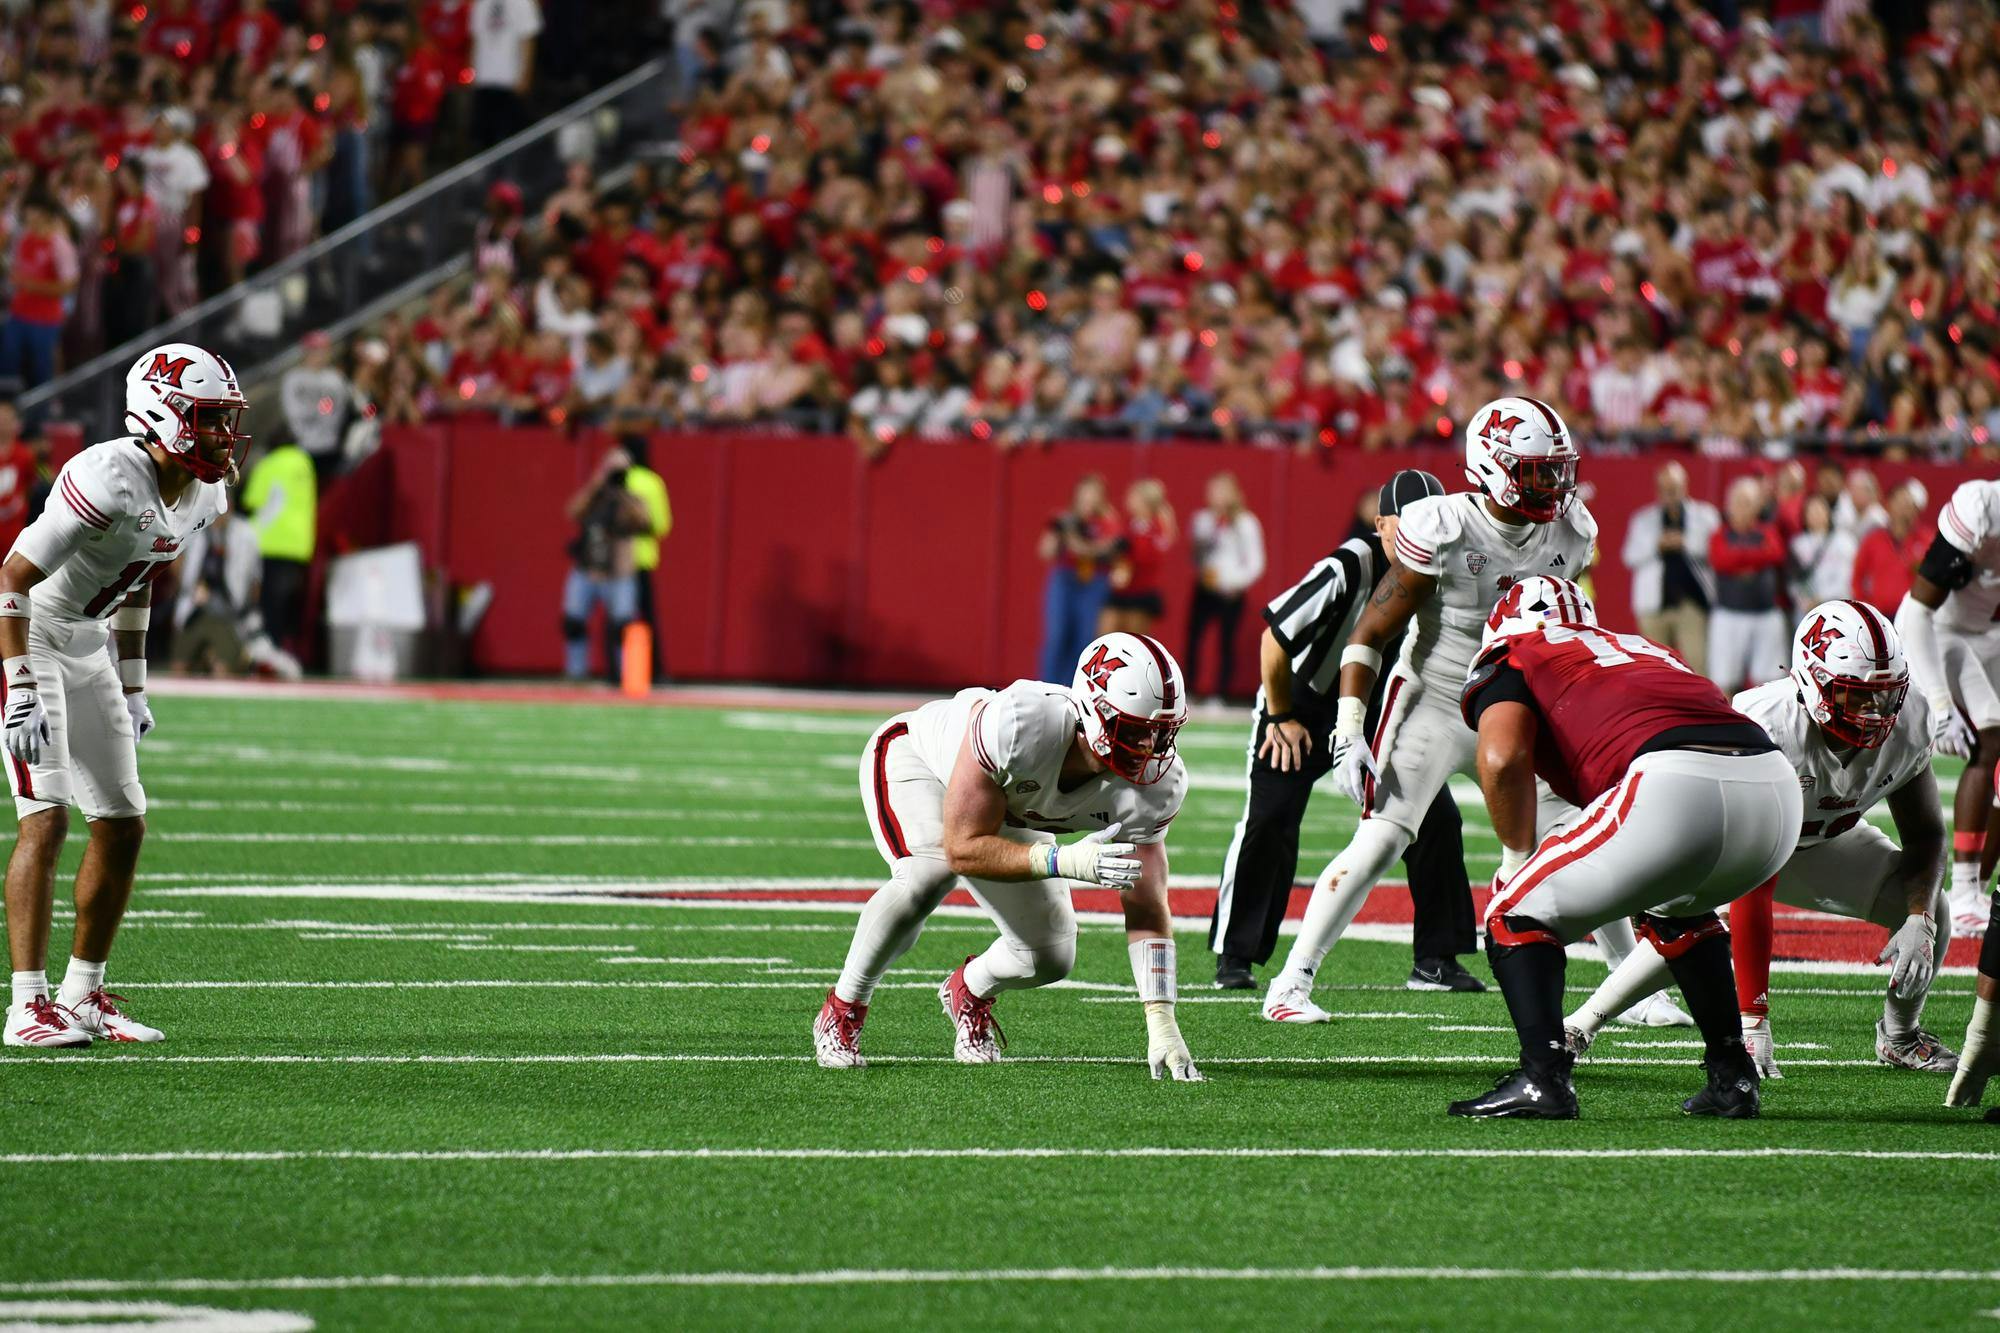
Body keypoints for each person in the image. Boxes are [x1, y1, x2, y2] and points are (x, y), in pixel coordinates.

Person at [1261, 397, 1683, 1026]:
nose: (1554, 485)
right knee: (1381, 837)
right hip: (1433, 697)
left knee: (1581, 838)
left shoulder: (1573, 530)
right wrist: (1350, 729)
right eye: (1538, 471)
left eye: (1557, 470)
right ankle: (1290, 984)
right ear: (1492, 466)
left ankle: (1635, 992)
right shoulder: (1441, 525)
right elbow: (1370, 632)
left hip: (1520, 704)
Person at [1449, 577, 1798, 1118]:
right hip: (1775, 791)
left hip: (1675, 783)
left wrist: (1516, 860)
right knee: (1680, 909)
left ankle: (1543, 1078)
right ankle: (1733, 1076)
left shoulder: (1516, 649)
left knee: (1512, 911)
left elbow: (1500, 757)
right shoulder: (1643, 646)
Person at [1563, 600, 1954, 1078]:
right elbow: (1754, 883)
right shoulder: (1766, 727)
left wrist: (1918, 918)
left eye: (1886, 695)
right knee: (1700, 929)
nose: (1875, 712)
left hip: (1823, 841)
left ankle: (1899, 1036)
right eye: (1857, 696)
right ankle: (1580, 1026)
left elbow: (1927, 834)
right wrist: (1754, 1019)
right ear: (1814, 683)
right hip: (1725, 840)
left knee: (1935, 910)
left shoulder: (1910, 720)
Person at [814, 633, 1201, 1081]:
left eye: (1163, 732)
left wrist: (1161, 1019)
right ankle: (844, 1007)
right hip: (921, 763)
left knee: (1050, 956)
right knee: (928, 873)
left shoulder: (1160, 786)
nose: (1152, 750)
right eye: (1137, 731)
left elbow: (1147, 906)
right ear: (1095, 713)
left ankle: (969, 990)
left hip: (1008, 807)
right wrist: (1063, 862)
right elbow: (963, 849)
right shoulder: (1022, 723)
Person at [0, 342, 246, 1047]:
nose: (219, 436)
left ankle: (82, 993)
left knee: (122, 820)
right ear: (161, 415)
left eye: (224, 420)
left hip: (89, 640)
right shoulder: (108, 474)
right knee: (44, 818)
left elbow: (140, 576)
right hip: (33, 632)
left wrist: (133, 685)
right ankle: (26, 1006)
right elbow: (11, 576)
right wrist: (19, 684)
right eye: (205, 419)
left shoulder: (205, 493)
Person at [1209, 469, 1482, 994]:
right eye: (1409, 523)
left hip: (1379, 706)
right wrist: (1280, 716)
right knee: (1270, 819)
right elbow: (1274, 638)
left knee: (1437, 818)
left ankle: (1437, 959)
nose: (1422, 535)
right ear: (1380, 524)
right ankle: (1236, 957)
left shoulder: (1448, 569)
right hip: (1302, 703)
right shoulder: (1350, 564)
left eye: (1434, 524)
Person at [1895, 478, 2000, 939]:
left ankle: (1973, 892)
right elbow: (1918, 609)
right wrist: (1939, 704)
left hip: (1990, 635)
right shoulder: (1981, 508)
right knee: (1990, 736)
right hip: (1938, 630)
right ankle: (1961, 888)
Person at [562, 445, 649, 682]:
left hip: (620, 573)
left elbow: (644, 522)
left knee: (622, 626)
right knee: (573, 622)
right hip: (587, 570)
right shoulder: (594, 496)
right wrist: (597, 485)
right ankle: (576, 673)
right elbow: (572, 511)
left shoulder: (632, 498)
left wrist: (622, 493)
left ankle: (625, 676)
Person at [1622, 461, 1717, 678]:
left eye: (1674, 488)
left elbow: (1714, 549)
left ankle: (1700, 711)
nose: (1670, 493)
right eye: (1665, 488)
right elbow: (1629, 556)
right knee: (1656, 668)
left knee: (1698, 666)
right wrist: (1657, 545)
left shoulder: (1705, 515)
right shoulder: (1643, 519)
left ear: (1685, 486)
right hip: (1654, 606)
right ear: (1657, 489)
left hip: (1691, 604)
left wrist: (1685, 542)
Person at [1185, 472, 1264, 700]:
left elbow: (1255, 562)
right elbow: (1195, 553)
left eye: (1221, 491)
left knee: (1226, 642)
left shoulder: (1246, 522)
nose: (1215, 496)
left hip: (1231, 591)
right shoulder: (1202, 520)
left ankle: (1221, 693)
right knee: (1194, 638)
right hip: (1206, 586)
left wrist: (1235, 583)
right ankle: (1189, 688)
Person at [1706, 476, 1788, 693]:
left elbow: (1776, 554)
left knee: (1770, 682)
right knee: (1725, 681)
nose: (1743, 508)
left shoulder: (1767, 532)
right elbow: (1720, 559)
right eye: (1739, 502)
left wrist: (1739, 560)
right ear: (1729, 505)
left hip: (1765, 615)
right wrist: (1754, 559)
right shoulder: (1719, 535)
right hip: (1729, 615)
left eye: (1748, 502)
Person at [239, 439, 318, 657]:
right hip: (299, 544)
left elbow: (251, 501)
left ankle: (268, 651)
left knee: (268, 602)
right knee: (288, 603)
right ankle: (285, 648)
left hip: (270, 542)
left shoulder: (269, 464)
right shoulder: (305, 464)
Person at [1037, 475, 1116, 685]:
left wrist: (1080, 545)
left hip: (1094, 581)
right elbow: (1046, 550)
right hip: (1065, 580)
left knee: (1085, 639)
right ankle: (1048, 685)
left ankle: (1074, 687)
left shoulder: (1107, 522)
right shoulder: (1064, 520)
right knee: (1058, 635)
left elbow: (1107, 548)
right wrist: (1061, 534)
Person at [0, 194, 78, 391]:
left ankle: (45, 412)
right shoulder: (23, 238)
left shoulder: (59, 244)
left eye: (32, 210)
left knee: (42, 369)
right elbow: (16, 271)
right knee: (8, 365)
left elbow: (69, 285)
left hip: (45, 319)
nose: (27, 215)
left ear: (44, 214)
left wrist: (32, 286)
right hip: (18, 313)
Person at [619, 435, 670, 682]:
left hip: (615, 560)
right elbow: (662, 524)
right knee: (646, 618)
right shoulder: (652, 482)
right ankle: (656, 671)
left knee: (618, 618)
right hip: (642, 558)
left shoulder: (620, 479)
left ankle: (618, 672)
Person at [1099, 478, 1175, 637]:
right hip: (1120, 592)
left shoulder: (1154, 530)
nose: (1129, 499)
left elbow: (1150, 556)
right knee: (1105, 637)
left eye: (1134, 496)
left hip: (1140, 592)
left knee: (1133, 641)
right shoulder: (1129, 525)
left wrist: (1127, 557)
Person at [469, 0, 543, 149]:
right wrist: (472, 72)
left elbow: (528, 39)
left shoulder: (522, 3)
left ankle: (508, 171)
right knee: (483, 133)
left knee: (509, 134)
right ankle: (486, 170)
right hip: (485, 78)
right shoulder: (481, 4)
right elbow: (475, 39)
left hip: (510, 79)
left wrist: (525, 75)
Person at [279, 333, 351, 485]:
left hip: (330, 447)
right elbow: (292, 411)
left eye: (322, 350)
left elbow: (339, 410)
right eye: (314, 350)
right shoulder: (294, 378)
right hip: (302, 446)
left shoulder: (335, 379)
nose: (318, 355)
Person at [1850, 480, 1928, 612]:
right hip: (1879, 614)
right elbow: (1857, 577)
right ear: (1888, 505)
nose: (1904, 508)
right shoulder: (1873, 540)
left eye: (1909, 504)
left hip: (1912, 615)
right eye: (1900, 502)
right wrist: (1864, 608)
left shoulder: (1926, 540)